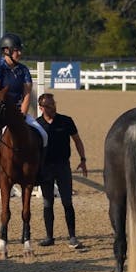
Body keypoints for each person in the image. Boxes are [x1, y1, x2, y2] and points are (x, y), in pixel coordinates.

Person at [0, 33, 48, 189]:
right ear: (6, 50)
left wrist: (21, 114)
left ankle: (40, 171)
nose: (19, 53)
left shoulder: (23, 70)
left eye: (19, 50)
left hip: (16, 109)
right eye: (16, 50)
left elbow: (27, 93)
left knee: (43, 134)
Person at [36, 93, 87, 249]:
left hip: (62, 166)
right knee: (47, 203)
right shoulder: (37, 125)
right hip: (45, 168)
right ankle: (49, 237)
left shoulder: (66, 121)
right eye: (49, 106)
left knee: (67, 201)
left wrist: (83, 159)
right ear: (41, 108)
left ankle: (72, 236)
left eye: (53, 104)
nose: (53, 108)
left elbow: (77, 140)